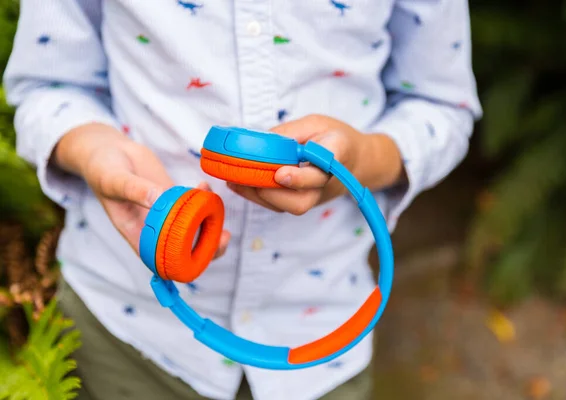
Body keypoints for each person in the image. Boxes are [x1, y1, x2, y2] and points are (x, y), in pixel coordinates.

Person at [3, 0, 482, 399]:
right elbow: (47, 85)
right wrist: (92, 151)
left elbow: (443, 105)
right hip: (124, 333)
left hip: (323, 342)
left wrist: (362, 160)